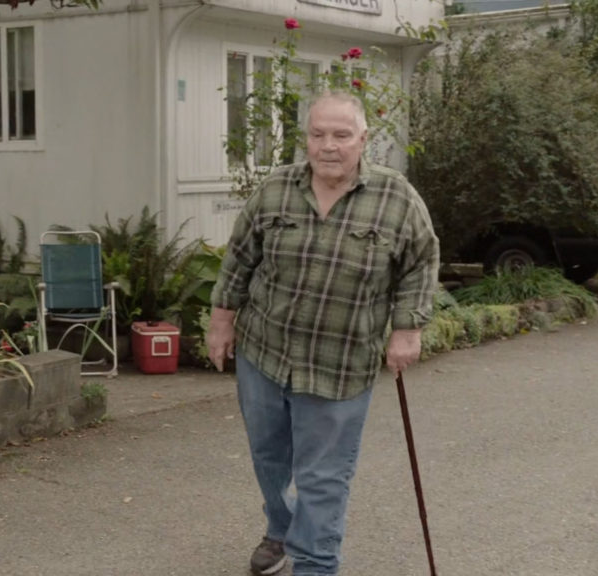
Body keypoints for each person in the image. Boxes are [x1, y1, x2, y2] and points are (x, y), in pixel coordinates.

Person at [207, 91, 440, 576]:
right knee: (269, 457)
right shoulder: (274, 190)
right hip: (265, 353)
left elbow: (420, 264)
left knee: (322, 476)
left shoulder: (397, 198)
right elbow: (239, 260)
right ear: (306, 139)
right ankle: (281, 529)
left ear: (363, 140)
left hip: (340, 363)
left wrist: (407, 329)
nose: (328, 146)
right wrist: (221, 321)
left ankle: (315, 563)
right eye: (318, 135)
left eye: (340, 135)